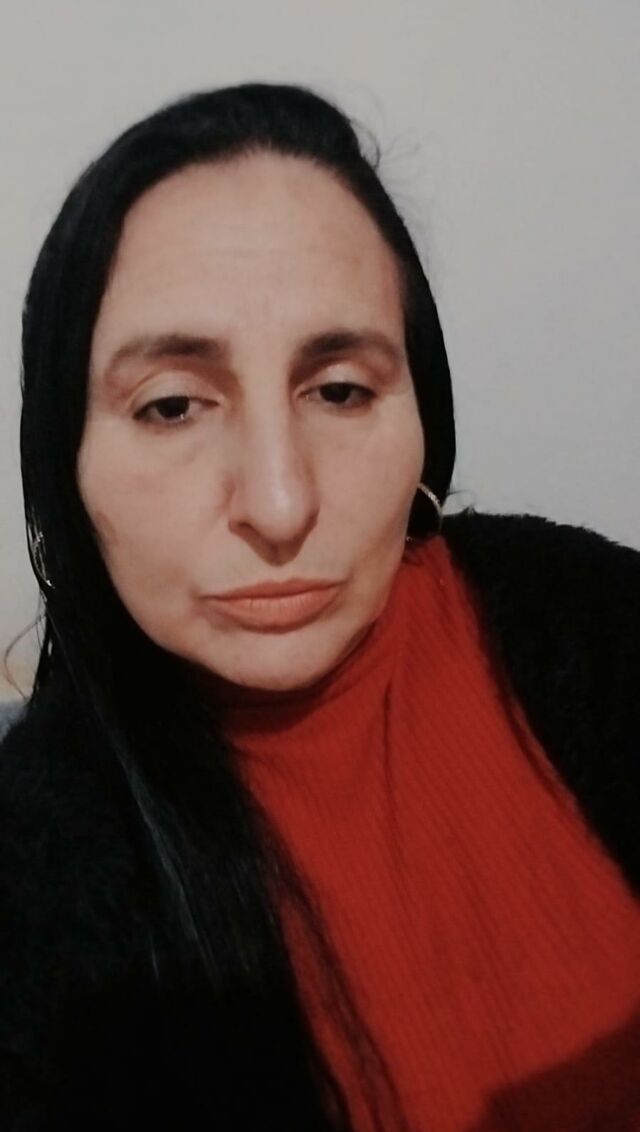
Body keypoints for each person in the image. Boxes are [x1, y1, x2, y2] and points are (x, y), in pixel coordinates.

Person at [1, 82, 639, 1132]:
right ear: (63, 465)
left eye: (340, 390)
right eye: (172, 405)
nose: (280, 503)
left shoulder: (583, 618)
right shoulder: (38, 867)